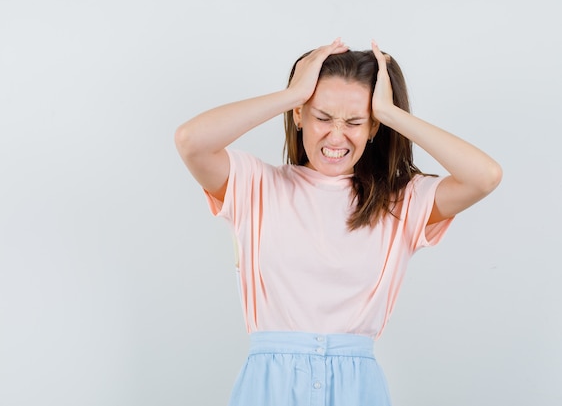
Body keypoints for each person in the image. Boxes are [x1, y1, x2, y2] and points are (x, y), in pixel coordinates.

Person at [174, 38, 502, 406]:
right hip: (269, 386)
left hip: (357, 388)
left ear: (373, 126)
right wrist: (294, 93)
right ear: (299, 115)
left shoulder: (401, 202)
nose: (336, 136)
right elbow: (191, 141)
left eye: (356, 121)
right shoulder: (257, 186)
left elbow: (484, 176)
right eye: (322, 117)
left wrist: (391, 114)